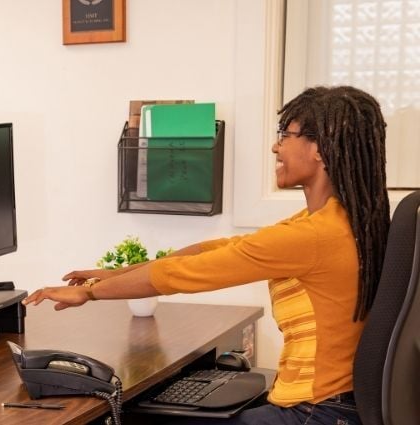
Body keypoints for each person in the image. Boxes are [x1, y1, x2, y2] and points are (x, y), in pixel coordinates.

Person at [24, 85, 390, 425]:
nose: (275, 148)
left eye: (285, 136)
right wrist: (115, 275)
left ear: (320, 148)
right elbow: (220, 250)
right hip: (332, 405)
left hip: (317, 412)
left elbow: (193, 272)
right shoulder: (337, 221)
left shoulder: (314, 235)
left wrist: (89, 294)